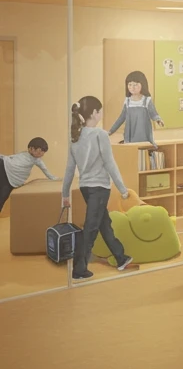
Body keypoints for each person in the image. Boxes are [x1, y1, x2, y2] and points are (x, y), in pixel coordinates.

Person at [62, 96, 133, 280]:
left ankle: (121, 257)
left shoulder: (75, 137)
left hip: (86, 187)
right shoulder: (100, 134)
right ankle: (79, 269)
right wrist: (123, 189)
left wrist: (65, 193)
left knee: (103, 224)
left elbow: (70, 169)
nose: (101, 113)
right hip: (100, 187)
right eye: (100, 110)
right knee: (91, 228)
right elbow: (110, 163)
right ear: (94, 113)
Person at [1, 137, 55, 215]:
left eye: (43, 152)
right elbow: (11, 158)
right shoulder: (23, 154)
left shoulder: (37, 160)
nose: (41, 153)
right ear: (31, 148)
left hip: (12, 180)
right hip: (4, 168)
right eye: (39, 151)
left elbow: (45, 170)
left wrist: (54, 178)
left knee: (2, 197)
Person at [107, 70, 163, 145]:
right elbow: (121, 117)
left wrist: (158, 120)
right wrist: (111, 131)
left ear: (142, 85)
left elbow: (153, 113)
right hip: (130, 135)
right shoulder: (127, 101)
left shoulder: (146, 100)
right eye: (129, 84)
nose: (132, 87)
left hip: (143, 135)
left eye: (135, 85)